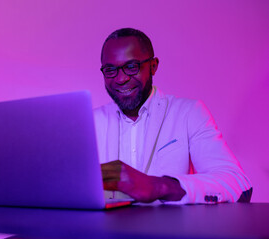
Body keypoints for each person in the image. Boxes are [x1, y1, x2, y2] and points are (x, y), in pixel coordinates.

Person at [95, 28, 252, 204]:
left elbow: (236, 183)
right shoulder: (89, 122)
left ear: (153, 66)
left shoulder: (189, 113)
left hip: (169, 231)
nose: (121, 78)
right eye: (110, 69)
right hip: (104, 231)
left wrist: (160, 186)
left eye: (131, 67)